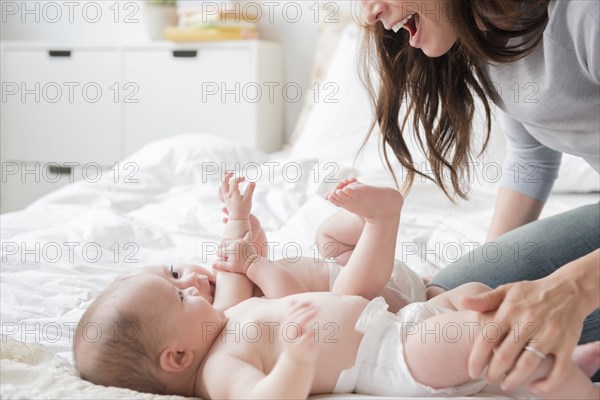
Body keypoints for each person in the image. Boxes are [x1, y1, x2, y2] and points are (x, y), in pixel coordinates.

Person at [73, 179, 599, 398]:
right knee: (491, 329)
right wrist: (295, 364)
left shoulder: (224, 321)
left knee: (480, 294)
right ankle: (572, 383)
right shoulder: (217, 369)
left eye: (174, 274)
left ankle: (560, 368)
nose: (193, 285)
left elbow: (235, 270)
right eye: (179, 296)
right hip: (394, 356)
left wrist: (235, 220)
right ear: (176, 356)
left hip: (397, 324)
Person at [359, 0, 600, 393]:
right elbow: (530, 159)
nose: (370, 12)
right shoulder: (489, 35)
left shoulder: (586, 15)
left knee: (510, 334)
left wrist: (573, 288)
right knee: (454, 295)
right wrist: (489, 266)